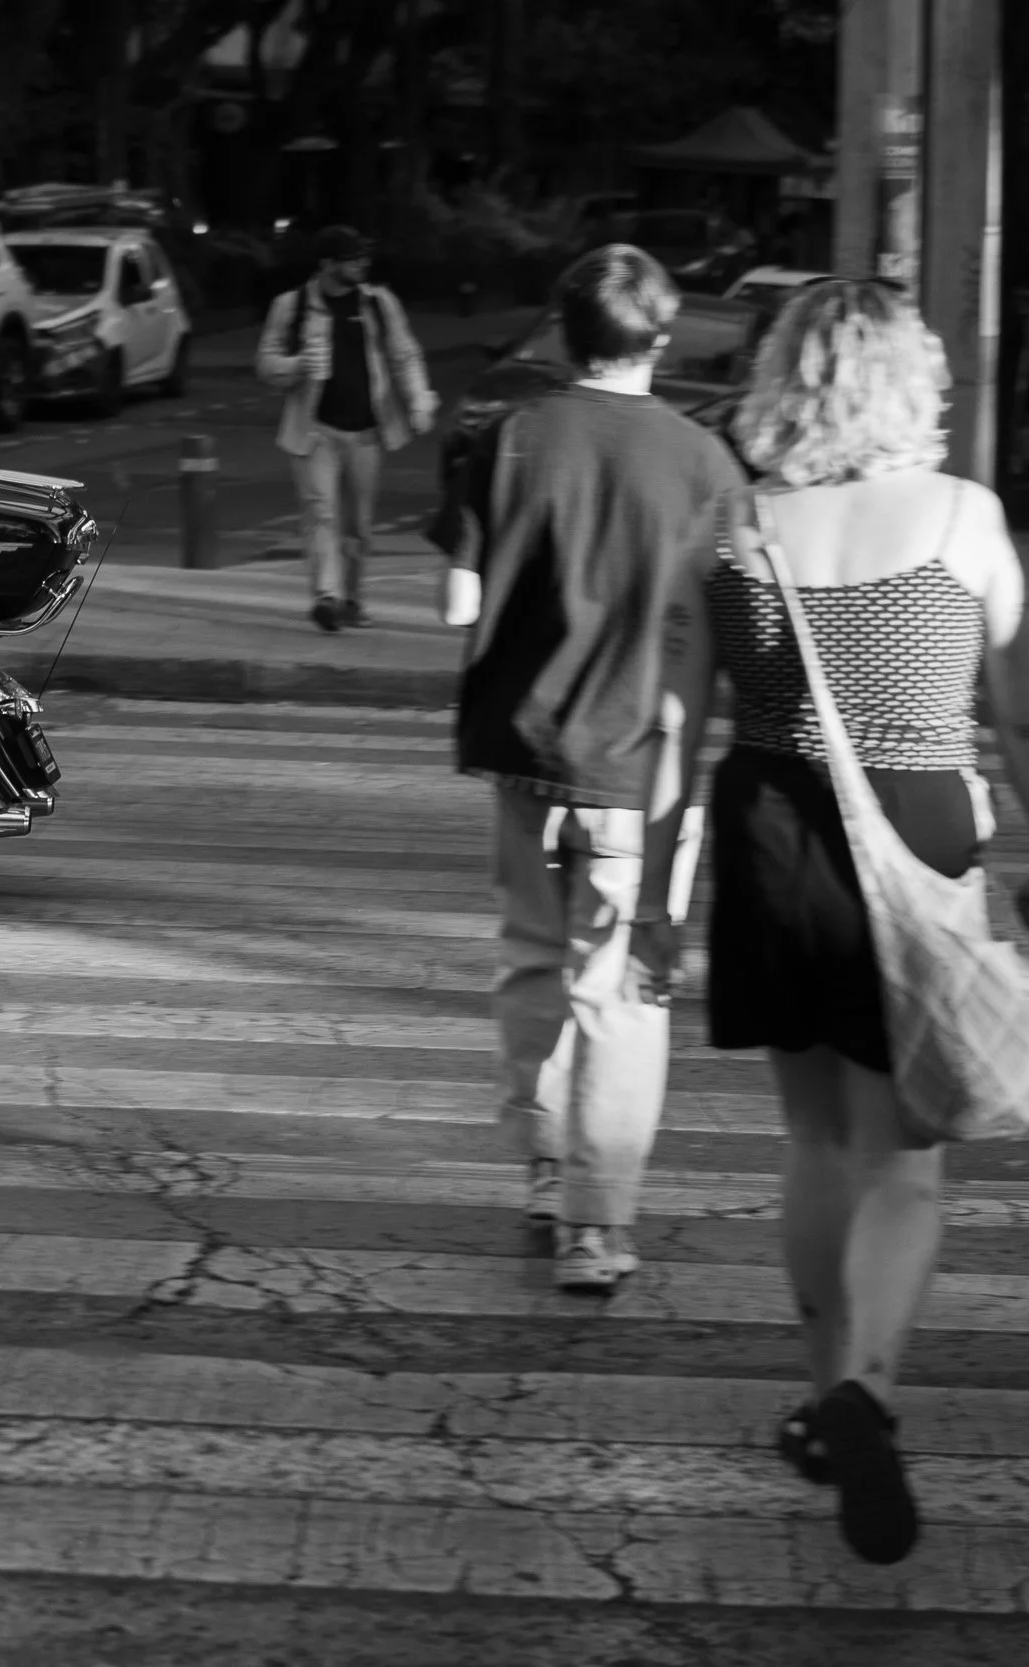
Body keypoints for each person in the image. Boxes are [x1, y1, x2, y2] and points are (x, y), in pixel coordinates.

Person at [634, 280, 1029, 1566]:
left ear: (783, 380)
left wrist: (658, 905)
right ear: (910, 383)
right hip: (919, 831)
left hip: (772, 829)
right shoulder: (962, 518)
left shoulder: (733, 529)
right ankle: (867, 1389)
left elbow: (675, 727)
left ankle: (827, 1395)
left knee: (817, 1137)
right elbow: (1025, 712)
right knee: (905, 1157)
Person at [433, 244, 744, 1293]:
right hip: (639, 765)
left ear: (562, 335)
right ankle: (594, 1226)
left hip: (523, 752)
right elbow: (731, 634)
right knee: (618, 989)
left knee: (530, 958)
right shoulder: (705, 462)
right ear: (660, 339)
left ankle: (540, 1166)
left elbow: (459, 609)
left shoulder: (507, 437)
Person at [254, 224, 438, 632]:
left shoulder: (378, 303)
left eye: (362, 257)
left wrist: (420, 398)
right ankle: (326, 597)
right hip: (315, 429)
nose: (361, 264)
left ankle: (352, 599)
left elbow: (405, 354)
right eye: (352, 258)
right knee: (320, 513)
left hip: (367, 432)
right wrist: (297, 365)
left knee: (358, 527)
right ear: (328, 264)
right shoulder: (292, 305)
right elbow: (265, 363)